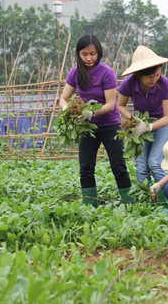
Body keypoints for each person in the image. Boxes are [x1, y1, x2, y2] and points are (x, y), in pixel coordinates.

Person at [59, 35, 132, 207]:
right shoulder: (75, 73)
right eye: (84, 54)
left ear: (99, 53)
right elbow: (63, 98)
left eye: (93, 53)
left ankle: (130, 204)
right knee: (86, 168)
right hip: (87, 128)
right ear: (78, 54)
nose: (89, 58)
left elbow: (109, 104)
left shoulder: (107, 72)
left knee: (118, 165)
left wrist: (90, 113)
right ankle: (90, 206)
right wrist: (67, 110)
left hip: (109, 125)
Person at [117, 46, 168, 192]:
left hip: (163, 123)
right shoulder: (128, 84)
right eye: (150, 77)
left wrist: (148, 127)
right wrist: (134, 121)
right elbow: (120, 105)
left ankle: (167, 200)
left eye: (157, 75)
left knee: (155, 162)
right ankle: (146, 201)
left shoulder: (165, 84)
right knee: (142, 165)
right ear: (138, 75)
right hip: (141, 123)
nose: (154, 79)